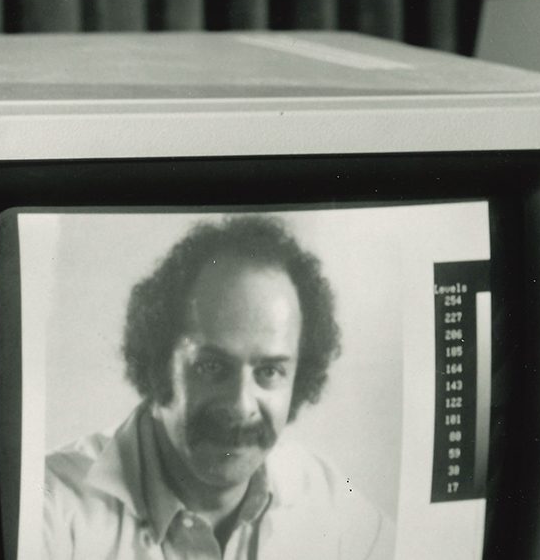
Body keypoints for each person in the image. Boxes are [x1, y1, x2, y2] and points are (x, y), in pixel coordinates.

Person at [44, 216, 394, 559]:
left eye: (270, 371)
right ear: (157, 366)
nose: (242, 405)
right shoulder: (50, 508)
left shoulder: (332, 505)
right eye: (211, 367)